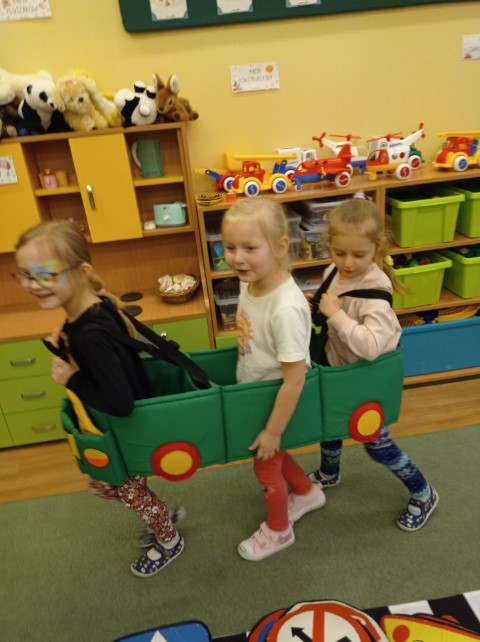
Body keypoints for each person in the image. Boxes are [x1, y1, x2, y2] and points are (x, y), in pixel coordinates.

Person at [14, 220, 184, 577]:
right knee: (114, 486)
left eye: (44, 273)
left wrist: (72, 378)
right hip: (122, 425)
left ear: (82, 272)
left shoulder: (88, 333)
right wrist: (63, 345)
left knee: (124, 489)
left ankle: (169, 539)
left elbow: (120, 402)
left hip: (124, 428)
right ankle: (160, 516)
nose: (31, 284)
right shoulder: (95, 306)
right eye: (25, 275)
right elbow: (105, 358)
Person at [307, 198, 438, 531]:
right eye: (339, 252)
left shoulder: (375, 292)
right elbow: (331, 308)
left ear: (377, 249)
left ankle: (423, 492)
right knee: (329, 425)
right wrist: (317, 308)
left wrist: (335, 314)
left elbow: (369, 347)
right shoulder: (332, 272)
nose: (347, 262)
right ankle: (329, 472)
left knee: (377, 444)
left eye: (358, 255)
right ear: (329, 246)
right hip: (339, 369)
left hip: (369, 378)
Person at [221, 197, 326, 562]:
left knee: (265, 464)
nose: (237, 258)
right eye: (229, 247)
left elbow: (295, 380)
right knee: (274, 456)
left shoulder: (285, 308)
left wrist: (272, 431)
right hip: (258, 394)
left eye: (250, 248)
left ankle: (280, 530)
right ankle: (307, 493)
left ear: (281, 246)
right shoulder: (252, 282)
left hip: (277, 401)